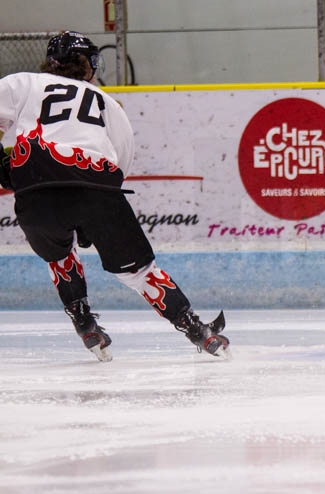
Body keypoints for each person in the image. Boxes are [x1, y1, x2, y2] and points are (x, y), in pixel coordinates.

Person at [0, 30, 230, 361]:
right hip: (98, 188)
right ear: (89, 66)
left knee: (58, 255)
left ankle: (84, 321)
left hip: (36, 188)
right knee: (139, 272)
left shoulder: (24, 83)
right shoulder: (107, 102)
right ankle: (198, 330)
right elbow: (118, 165)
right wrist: (90, 208)